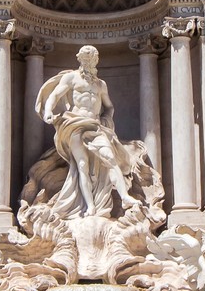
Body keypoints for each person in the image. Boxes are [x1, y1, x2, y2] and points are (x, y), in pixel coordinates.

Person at [35, 45, 144, 218]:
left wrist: (107, 120)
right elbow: (54, 96)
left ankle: (124, 197)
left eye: (92, 59)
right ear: (80, 60)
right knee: (82, 165)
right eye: (86, 59)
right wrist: (48, 110)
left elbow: (109, 106)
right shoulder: (71, 78)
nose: (90, 62)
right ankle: (90, 206)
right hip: (75, 124)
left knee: (110, 158)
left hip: (95, 126)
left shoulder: (100, 84)